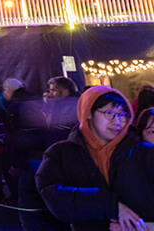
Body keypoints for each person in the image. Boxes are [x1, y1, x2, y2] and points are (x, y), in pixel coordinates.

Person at [36, 85, 154, 231]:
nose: (117, 122)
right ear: (88, 112)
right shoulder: (61, 153)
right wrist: (112, 205)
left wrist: (148, 225)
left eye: (123, 114)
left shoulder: (143, 151)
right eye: (109, 113)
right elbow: (54, 197)